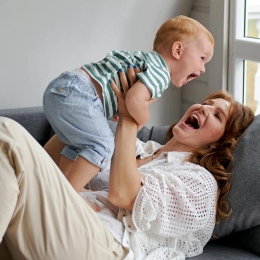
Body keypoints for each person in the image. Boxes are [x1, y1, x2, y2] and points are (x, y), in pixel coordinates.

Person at [0, 68, 254, 259]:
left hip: (106, 248)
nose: (204, 108)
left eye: (217, 115)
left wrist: (128, 119)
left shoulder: (199, 182)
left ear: (219, 144)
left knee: (7, 133)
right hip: (72, 225)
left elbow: (123, 193)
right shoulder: (139, 149)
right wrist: (91, 109)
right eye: (206, 103)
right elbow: (49, 164)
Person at [42, 15, 214, 193]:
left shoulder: (146, 60)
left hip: (65, 88)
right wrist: (141, 118)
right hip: (79, 94)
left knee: (80, 145)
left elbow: (119, 90)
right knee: (102, 146)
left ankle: (61, 188)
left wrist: (115, 106)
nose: (202, 69)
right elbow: (133, 99)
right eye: (202, 58)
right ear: (178, 50)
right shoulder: (161, 74)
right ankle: (69, 197)